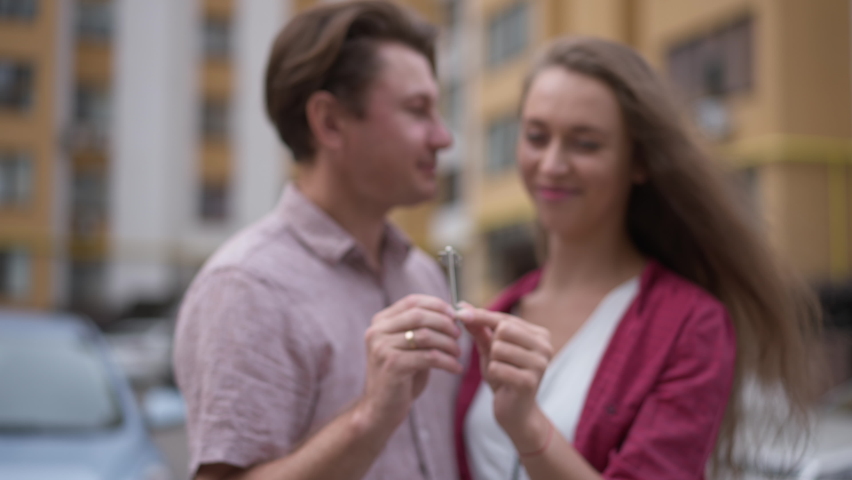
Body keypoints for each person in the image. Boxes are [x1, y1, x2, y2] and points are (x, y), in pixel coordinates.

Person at [454, 36, 821, 480]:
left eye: (584, 143)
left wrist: (528, 427)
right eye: (536, 136)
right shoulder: (495, 314)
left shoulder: (691, 324)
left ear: (638, 162)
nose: (551, 163)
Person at [173, 2, 463, 479]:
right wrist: (369, 418)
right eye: (417, 110)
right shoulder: (246, 287)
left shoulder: (422, 274)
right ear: (329, 122)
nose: (442, 137)